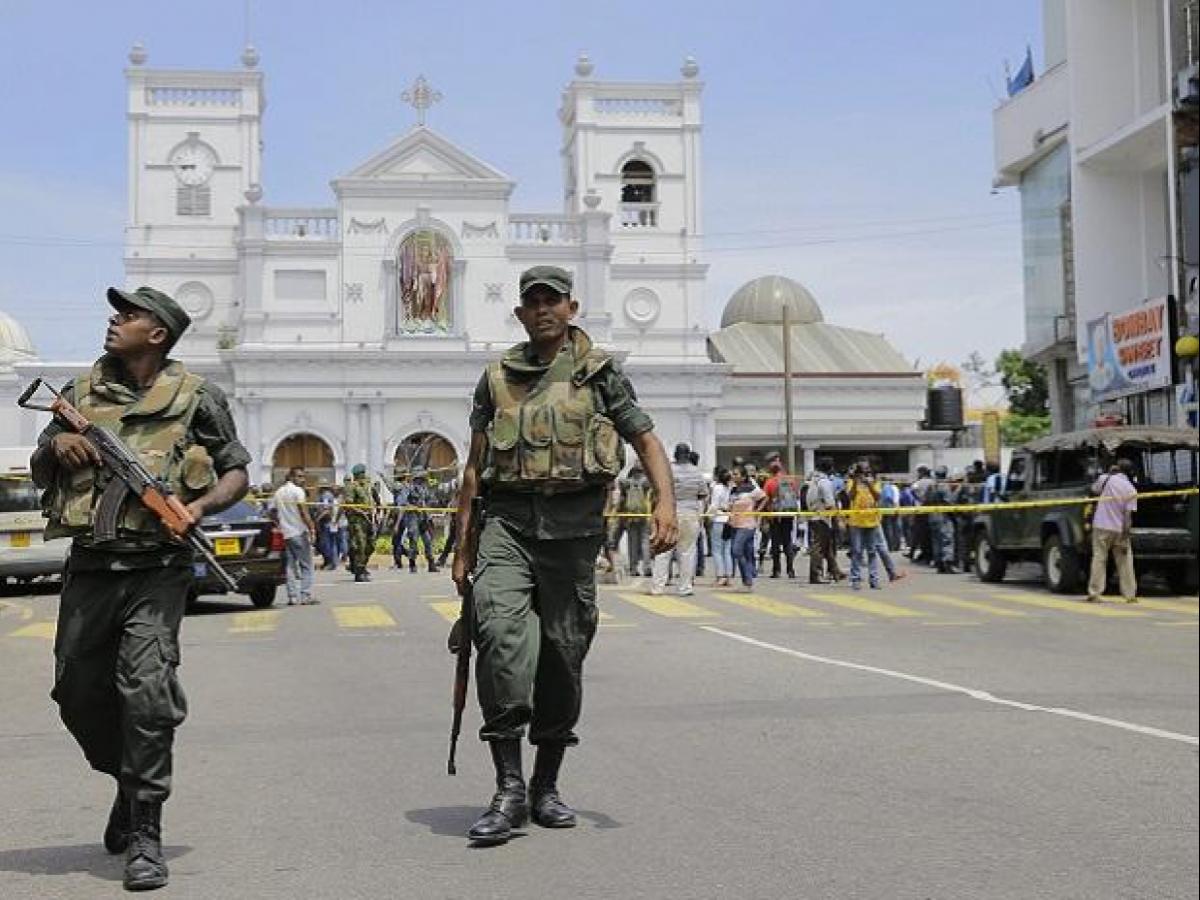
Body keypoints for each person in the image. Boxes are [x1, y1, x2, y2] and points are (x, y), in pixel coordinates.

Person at [29, 286, 250, 891]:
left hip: (158, 567)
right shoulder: (75, 394)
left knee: (145, 692)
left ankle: (145, 832)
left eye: (129, 315)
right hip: (92, 566)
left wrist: (199, 506)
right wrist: (57, 445)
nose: (114, 320)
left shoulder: (200, 397)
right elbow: (40, 467)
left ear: (158, 334)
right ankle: (128, 783)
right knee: (76, 693)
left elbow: (237, 469)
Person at [452, 265, 678, 846]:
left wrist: (665, 505)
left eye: (553, 301)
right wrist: (462, 549)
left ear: (572, 308)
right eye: (533, 303)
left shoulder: (600, 373)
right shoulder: (496, 378)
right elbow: (474, 469)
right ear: (522, 313)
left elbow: (645, 440)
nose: (544, 310)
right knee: (500, 639)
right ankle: (508, 789)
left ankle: (545, 785)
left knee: (562, 656)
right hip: (507, 525)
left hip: (574, 533)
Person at [650, 443, 707, 596]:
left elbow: (658, 491)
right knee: (687, 552)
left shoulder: (668, 471)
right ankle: (685, 588)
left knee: (663, 551)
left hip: (670, 514)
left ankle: (658, 587)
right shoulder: (696, 472)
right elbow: (702, 494)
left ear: (675, 455)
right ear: (688, 455)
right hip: (690, 514)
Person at [1086, 459, 1139, 603]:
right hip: (1119, 529)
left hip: (1101, 525)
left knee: (1099, 558)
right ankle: (1130, 594)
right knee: (1125, 561)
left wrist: (1109, 473)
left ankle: (1095, 592)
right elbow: (1128, 517)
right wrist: (1125, 537)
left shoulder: (1106, 479)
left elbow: (1094, 489)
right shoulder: (1131, 490)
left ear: (1117, 468)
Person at [272, 466, 318, 605]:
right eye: (299, 476)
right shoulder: (298, 491)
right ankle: (305, 595)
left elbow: (272, 512)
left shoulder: (278, 492)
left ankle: (292, 596)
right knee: (307, 565)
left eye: (303, 476)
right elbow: (304, 512)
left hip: (286, 534)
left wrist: (280, 524)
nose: (302, 479)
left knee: (290, 566)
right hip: (298, 532)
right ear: (291, 477)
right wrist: (312, 529)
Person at [846, 462, 884, 590]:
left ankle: (874, 579)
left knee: (872, 552)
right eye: (862, 471)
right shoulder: (852, 482)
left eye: (867, 470)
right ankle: (855, 579)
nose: (865, 473)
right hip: (856, 522)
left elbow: (878, 497)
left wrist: (870, 484)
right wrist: (856, 482)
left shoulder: (875, 482)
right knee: (856, 551)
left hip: (872, 521)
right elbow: (850, 497)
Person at [728, 466, 767, 589]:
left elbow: (765, 498)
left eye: (736, 474)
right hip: (734, 524)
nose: (733, 476)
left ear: (743, 477)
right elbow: (731, 505)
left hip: (747, 525)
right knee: (744, 552)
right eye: (733, 474)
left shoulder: (752, 489)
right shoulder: (733, 490)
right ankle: (747, 579)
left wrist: (757, 511)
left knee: (736, 550)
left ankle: (748, 575)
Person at [806, 457, 843, 584]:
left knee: (826, 546)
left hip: (814, 516)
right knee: (819, 547)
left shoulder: (813, 481)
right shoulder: (825, 482)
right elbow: (830, 503)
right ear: (830, 468)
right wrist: (839, 518)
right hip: (822, 518)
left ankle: (836, 571)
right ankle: (815, 575)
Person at [763, 452, 800, 578]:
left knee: (775, 543)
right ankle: (790, 570)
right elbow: (796, 495)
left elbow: (765, 498)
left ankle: (776, 570)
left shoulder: (770, 482)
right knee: (787, 542)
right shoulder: (790, 480)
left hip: (774, 515)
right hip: (788, 514)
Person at [613, 464, 652, 576]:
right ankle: (647, 567)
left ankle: (633, 568)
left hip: (630, 515)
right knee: (645, 542)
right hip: (643, 514)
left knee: (632, 543)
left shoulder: (627, 483)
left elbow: (619, 483)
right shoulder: (645, 483)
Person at [344, 464, 375, 582]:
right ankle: (359, 571)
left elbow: (373, 500)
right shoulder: (352, 487)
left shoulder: (366, 486)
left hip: (368, 520)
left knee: (371, 545)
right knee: (360, 545)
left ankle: (360, 566)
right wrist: (361, 511)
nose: (363, 475)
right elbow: (349, 505)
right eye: (361, 473)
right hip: (357, 521)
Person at [926, 466, 956, 574]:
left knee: (936, 541)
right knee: (947, 539)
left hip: (932, 516)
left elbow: (926, 500)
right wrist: (954, 514)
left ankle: (939, 564)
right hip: (943, 516)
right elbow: (949, 502)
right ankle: (947, 563)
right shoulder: (944, 486)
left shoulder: (931, 486)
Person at [707, 467, 734, 586]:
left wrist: (708, 517)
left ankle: (720, 575)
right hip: (728, 519)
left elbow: (714, 505)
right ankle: (728, 575)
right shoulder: (729, 488)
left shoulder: (717, 488)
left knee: (717, 550)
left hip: (719, 519)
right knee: (727, 550)